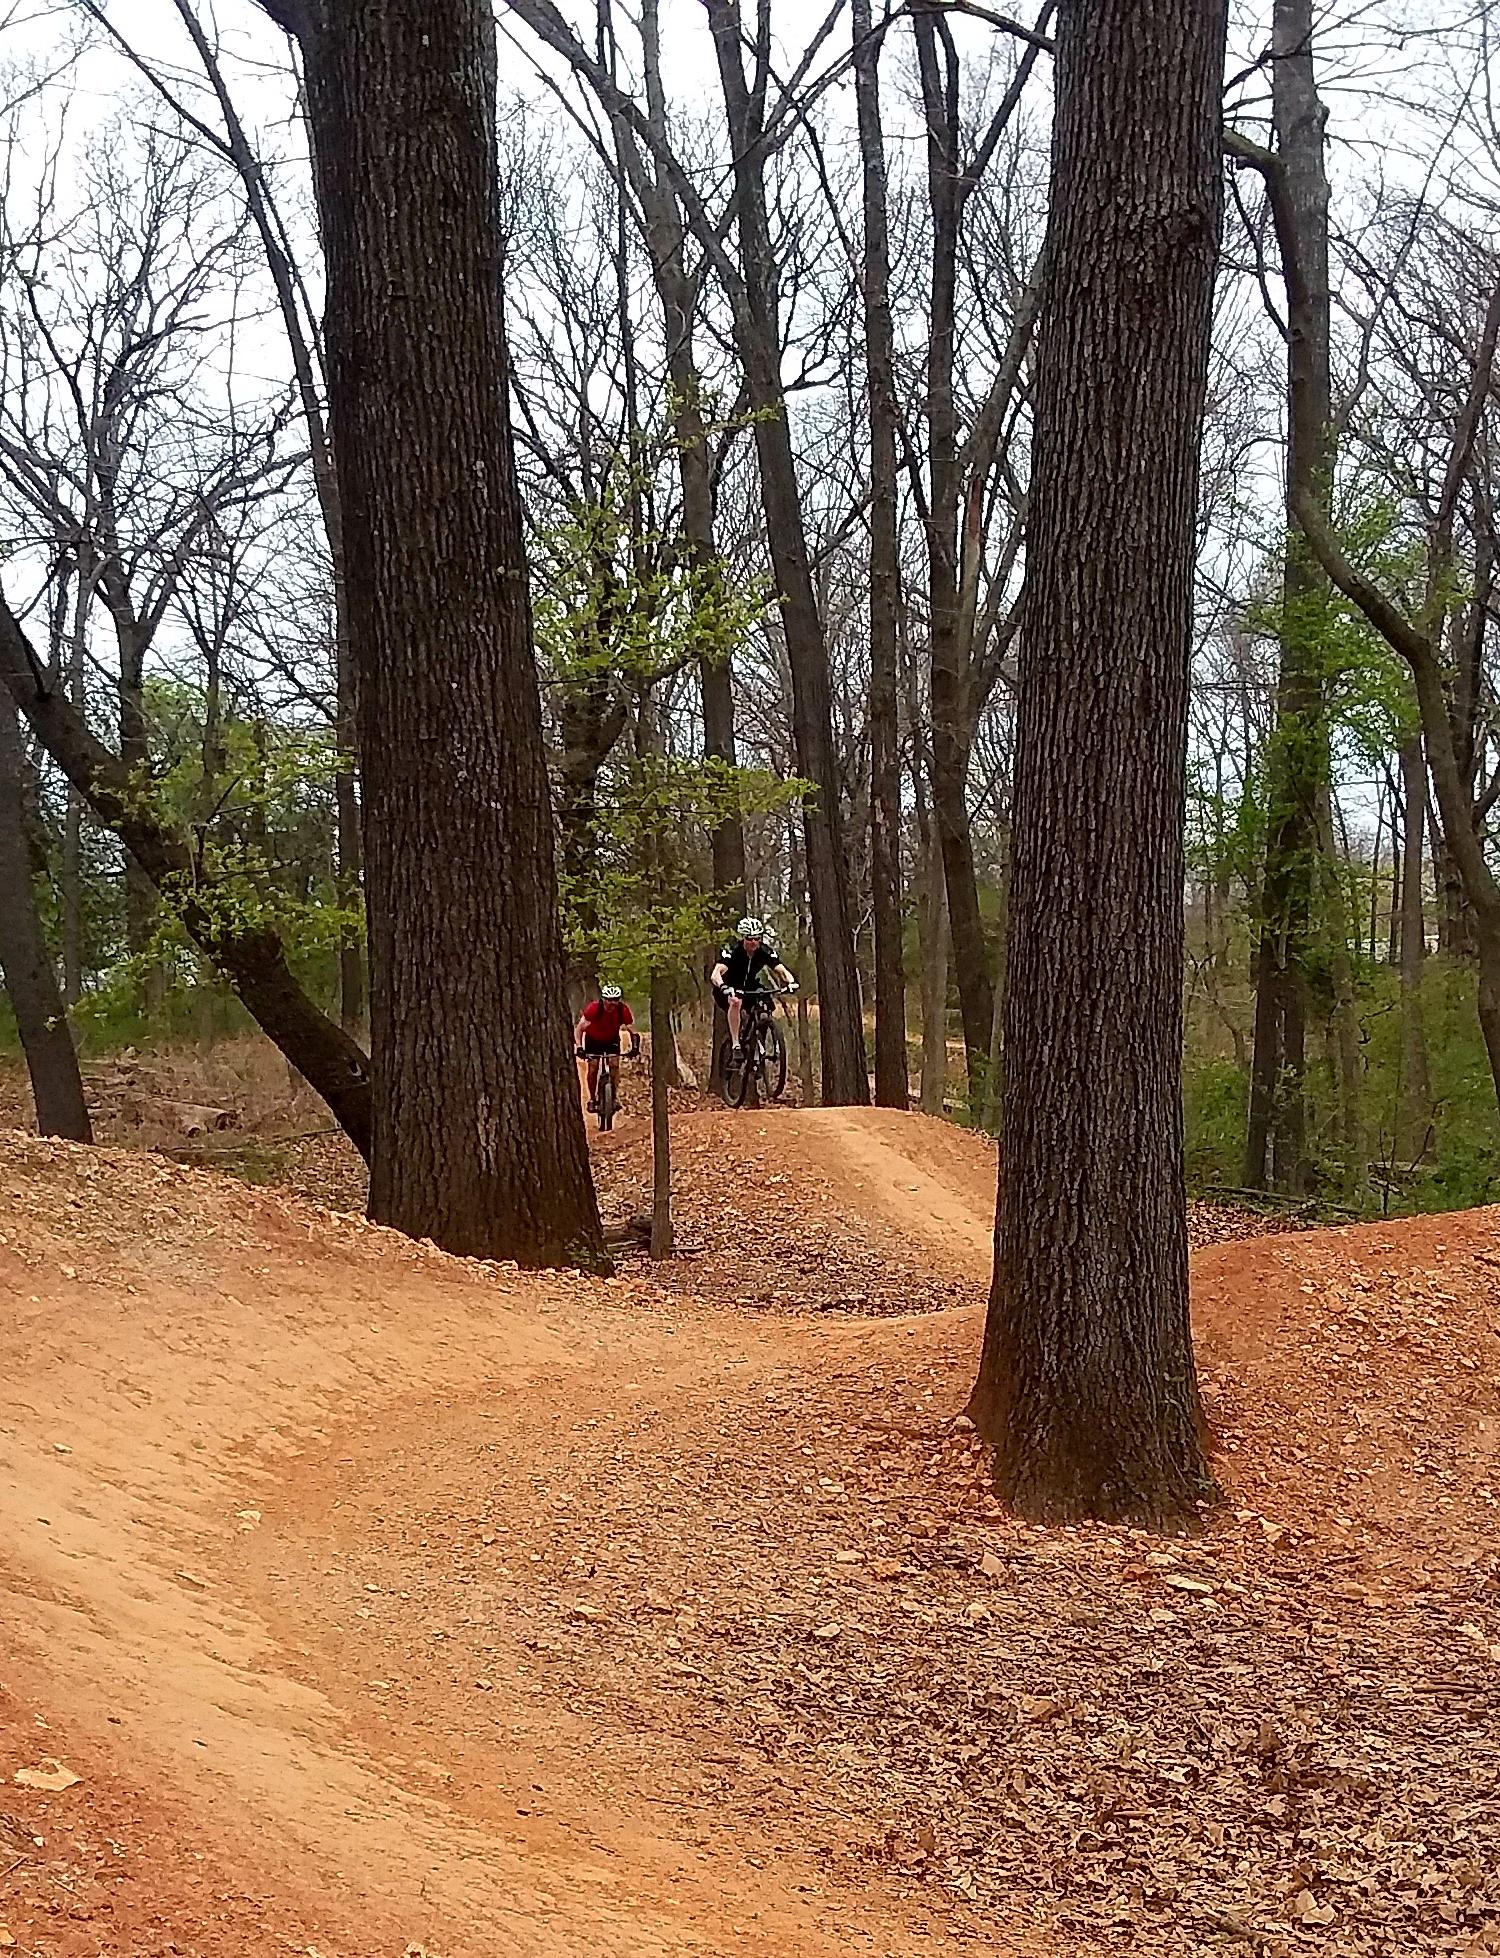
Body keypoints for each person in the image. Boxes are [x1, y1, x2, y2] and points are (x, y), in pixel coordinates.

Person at [710, 917, 797, 1059]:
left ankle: (759, 1043)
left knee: (765, 1003)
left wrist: (791, 982)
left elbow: (781, 970)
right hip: (728, 986)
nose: (754, 942)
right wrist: (724, 986)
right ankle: (736, 1045)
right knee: (736, 1002)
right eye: (750, 939)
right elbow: (716, 974)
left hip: (750, 986)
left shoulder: (764, 951)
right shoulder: (733, 950)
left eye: (757, 938)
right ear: (743, 938)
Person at [575, 984, 637, 1111]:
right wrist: (580, 1047)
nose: (612, 1003)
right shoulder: (594, 1009)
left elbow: (632, 1031)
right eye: (609, 1000)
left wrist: (635, 1046)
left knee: (614, 1065)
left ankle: (613, 1097)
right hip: (593, 1040)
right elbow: (579, 1029)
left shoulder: (622, 1010)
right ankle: (592, 1099)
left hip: (611, 1040)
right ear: (603, 999)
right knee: (593, 1068)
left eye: (615, 1000)